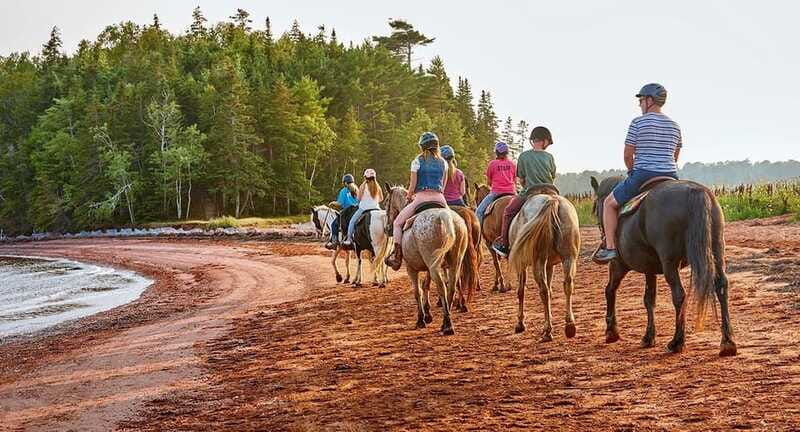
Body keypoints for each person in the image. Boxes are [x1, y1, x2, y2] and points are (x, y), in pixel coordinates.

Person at [593, 83, 681, 263]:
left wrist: (632, 170)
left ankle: (610, 248)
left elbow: (627, 154)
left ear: (649, 100)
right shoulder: (674, 125)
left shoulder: (638, 122)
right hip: (671, 176)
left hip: (643, 175)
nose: (640, 104)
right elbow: (675, 155)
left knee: (609, 204)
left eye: (641, 100)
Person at [385, 132, 448, 271]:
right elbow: (443, 185)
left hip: (421, 199)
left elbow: (412, 186)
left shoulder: (417, 161)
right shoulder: (444, 162)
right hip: (440, 200)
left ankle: (397, 256)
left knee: (397, 223)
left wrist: (409, 196)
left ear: (422, 147)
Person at [491, 126, 557, 258]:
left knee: (508, 211)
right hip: (551, 191)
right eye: (548, 143)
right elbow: (553, 176)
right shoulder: (550, 157)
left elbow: (521, 179)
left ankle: (504, 243)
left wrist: (527, 184)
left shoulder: (524, 156)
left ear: (534, 140)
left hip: (531, 192)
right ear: (544, 141)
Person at [475, 142, 517, 222]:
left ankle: (479, 234)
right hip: (512, 192)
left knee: (479, 212)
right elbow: (515, 180)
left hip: (496, 193)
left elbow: (489, 182)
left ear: (496, 152)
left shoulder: (492, 164)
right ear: (507, 152)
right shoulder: (513, 164)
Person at [342, 168, 383, 248]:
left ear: (365, 177)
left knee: (352, 222)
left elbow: (359, 199)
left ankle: (349, 239)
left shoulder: (363, 186)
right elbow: (381, 198)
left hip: (364, 209)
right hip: (376, 208)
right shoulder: (378, 186)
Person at [325, 173, 359, 249]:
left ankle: (334, 242)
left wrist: (332, 203)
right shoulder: (357, 190)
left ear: (345, 183)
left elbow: (339, 203)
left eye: (344, 182)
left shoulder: (344, 190)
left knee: (334, 224)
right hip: (356, 212)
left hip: (347, 212)